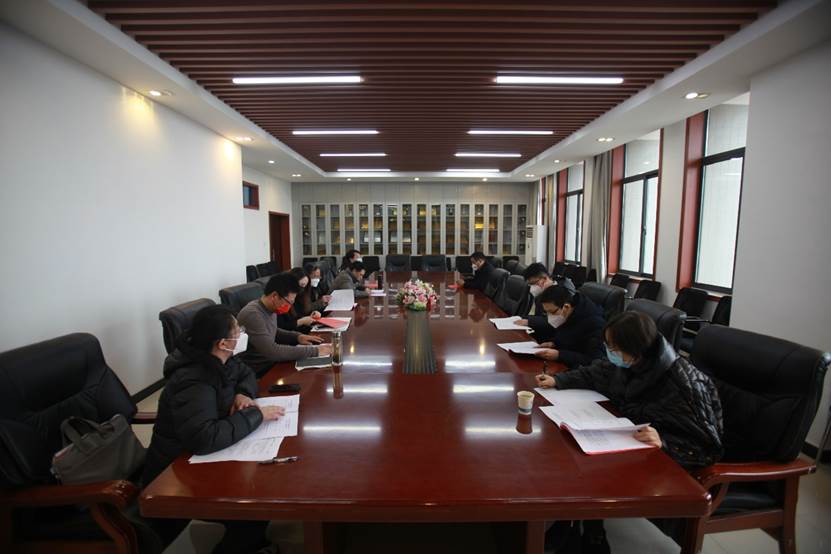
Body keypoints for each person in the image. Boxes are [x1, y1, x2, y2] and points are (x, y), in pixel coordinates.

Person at [536, 311, 723, 552]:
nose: (609, 353)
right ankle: (575, 525)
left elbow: (706, 448)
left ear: (636, 349)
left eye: (614, 348)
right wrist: (559, 381)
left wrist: (664, 441)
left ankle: (589, 533)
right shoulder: (631, 362)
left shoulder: (683, 384)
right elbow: (596, 373)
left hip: (673, 460)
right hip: (630, 437)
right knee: (569, 449)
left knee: (585, 466)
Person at [142, 305, 283, 553]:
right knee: (254, 507)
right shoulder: (193, 379)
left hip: (204, 455)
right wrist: (256, 414)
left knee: (264, 485)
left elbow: (246, 374)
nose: (242, 334)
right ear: (223, 343)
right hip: (178, 469)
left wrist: (243, 393)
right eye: (238, 331)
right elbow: (204, 438)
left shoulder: (221, 358)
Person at [238, 273, 331, 377]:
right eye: (288, 302)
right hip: (261, 371)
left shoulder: (270, 308)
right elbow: (272, 351)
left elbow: (274, 331)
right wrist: (315, 351)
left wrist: (297, 337)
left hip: (273, 364)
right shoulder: (252, 314)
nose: (289, 306)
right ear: (274, 296)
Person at [531, 285, 605, 367]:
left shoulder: (594, 324)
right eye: (546, 312)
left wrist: (559, 355)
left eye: (552, 312)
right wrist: (553, 343)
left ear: (566, 307)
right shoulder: (568, 314)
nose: (549, 317)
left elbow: (594, 360)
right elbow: (567, 338)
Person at [515, 262, 576, 338]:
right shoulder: (542, 292)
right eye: (530, 284)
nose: (532, 287)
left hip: (558, 336)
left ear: (545, 278)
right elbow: (539, 315)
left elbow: (560, 319)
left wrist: (530, 321)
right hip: (542, 331)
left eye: (534, 283)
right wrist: (524, 318)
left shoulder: (564, 290)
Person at [278, 267, 324, 333]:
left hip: (304, 331)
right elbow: (280, 328)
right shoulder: (281, 299)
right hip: (292, 335)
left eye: (304, 286)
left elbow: (304, 314)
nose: (302, 290)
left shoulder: (301, 296)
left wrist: (313, 314)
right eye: (301, 285)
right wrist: (300, 322)